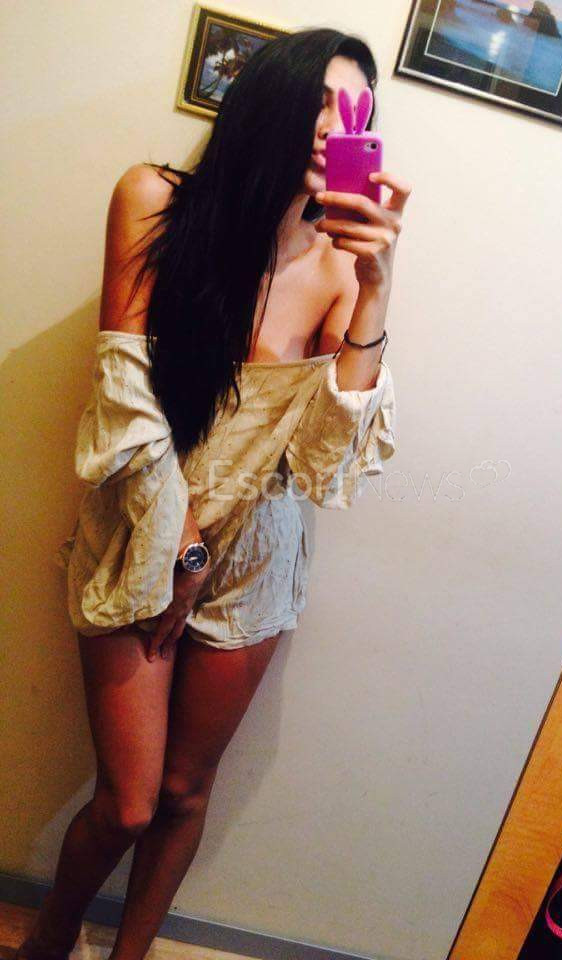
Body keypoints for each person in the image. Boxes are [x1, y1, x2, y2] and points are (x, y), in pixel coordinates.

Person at [17, 28, 411, 960]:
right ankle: (49, 940)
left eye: (354, 109)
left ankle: (130, 954)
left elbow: (321, 463)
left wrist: (375, 290)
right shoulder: (153, 200)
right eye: (318, 100)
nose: (334, 125)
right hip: (145, 522)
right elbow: (127, 403)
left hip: (258, 549)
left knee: (186, 792)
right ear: (265, 100)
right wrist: (182, 547)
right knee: (127, 801)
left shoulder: (337, 266)